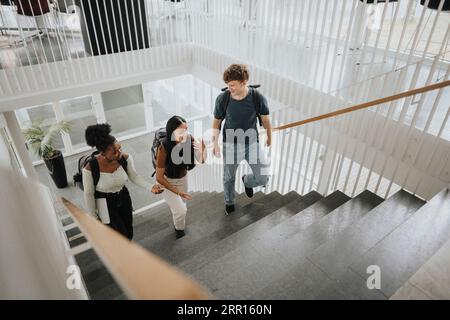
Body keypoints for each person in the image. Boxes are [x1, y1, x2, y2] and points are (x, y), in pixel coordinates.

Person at [212, 64, 272, 215]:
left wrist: (270, 136)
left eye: (232, 85)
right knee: (228, 177)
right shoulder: (223, 99)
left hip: (252, 143)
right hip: (231, 144)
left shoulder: (257, 97)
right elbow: (217, 122)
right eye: (227, 85)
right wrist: (215, 143)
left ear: (244, 81)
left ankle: (247, 181)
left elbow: (265, 119)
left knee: (263, 178)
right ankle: (229, 202)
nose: (229, 88)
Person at [82, 123, 152, 240]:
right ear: (103, 153)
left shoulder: (124, 158)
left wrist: (151, 187)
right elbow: (88, 194)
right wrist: (94, 218)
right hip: (104, 203)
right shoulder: (90, 168)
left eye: (119, 148)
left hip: (123, 198)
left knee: (128, 229)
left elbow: (134, 177)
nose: (119, 153)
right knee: (119, 235)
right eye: (114, 152)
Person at [155, 116, 206, 238]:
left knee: (180, 207)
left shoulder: (189, 139)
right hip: (166, 182)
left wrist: (202, 148)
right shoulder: (163, 148)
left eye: (187, 129)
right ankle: (179, 229)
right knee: (181, 210)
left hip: (183, 180)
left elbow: (202, 160)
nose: (186, 133)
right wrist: (177, 192)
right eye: (181, 130)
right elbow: (159, 177)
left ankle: (178, 219)